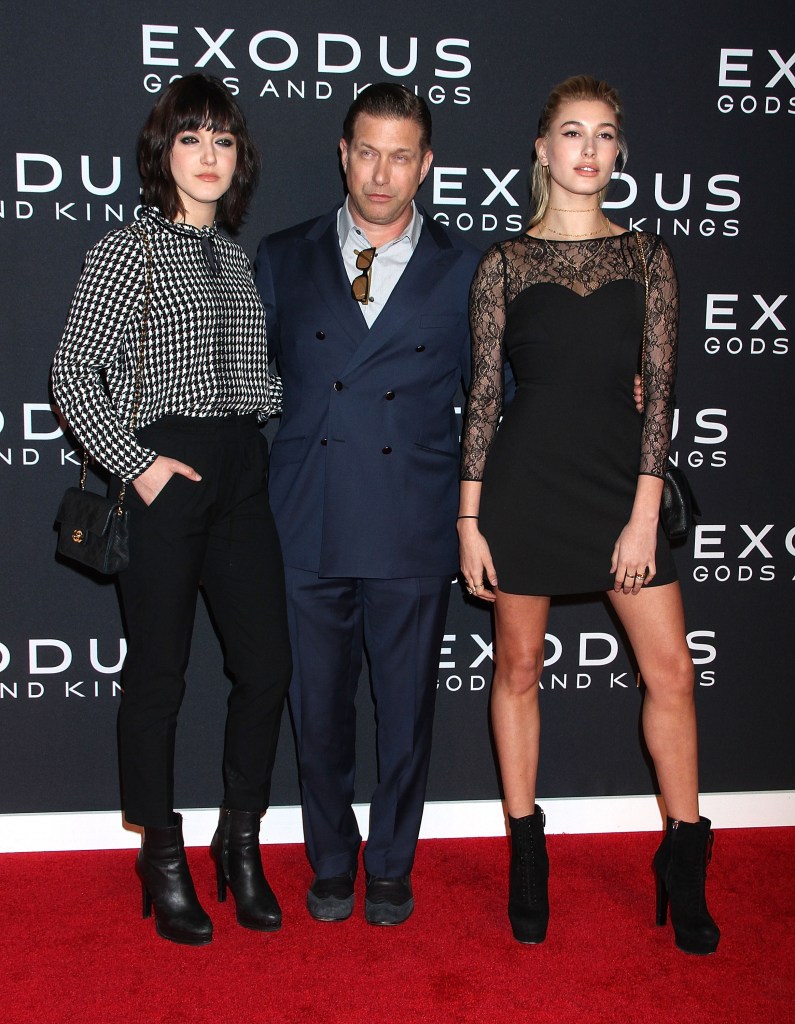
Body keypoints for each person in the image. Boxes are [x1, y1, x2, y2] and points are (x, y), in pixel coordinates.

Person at [458, 75, 719, 955]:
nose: (588, 150)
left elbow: (661, 396)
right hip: (524, 489)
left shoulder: (649, 256)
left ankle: (683, 856)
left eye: (605, 135)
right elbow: (485, 398)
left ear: (617, 154)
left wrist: (644, 512)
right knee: (519, 670)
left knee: (672, 674)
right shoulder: (501, 264)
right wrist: (468, 521)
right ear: (541, 149)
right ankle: (526, 850)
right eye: (572, 133)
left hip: (621, 486)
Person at [52, 75, 291, 946]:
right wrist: (139, 466)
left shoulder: (236, 256)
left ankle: (241, 841)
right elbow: (73, 374)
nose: (209, 156)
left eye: (223, 140)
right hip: (165, 470)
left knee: (266, 667)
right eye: (191, 139)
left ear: (239, 159)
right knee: (158, 677)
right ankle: (161, 855)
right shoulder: (128, 251)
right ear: (163, 155)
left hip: (241, 472)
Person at [254, 84, 481, 926]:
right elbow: (246, 382)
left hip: (413, 521)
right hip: (305, 518)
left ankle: (391, 863)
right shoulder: (282, 255)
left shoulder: (467, 267)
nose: (380, 173)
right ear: (342, 153)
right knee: (316, 713)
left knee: (405, 714)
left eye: (400, 155)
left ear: (424, 164)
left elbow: (500, 396)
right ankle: (329, 861)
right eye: (365, 151)